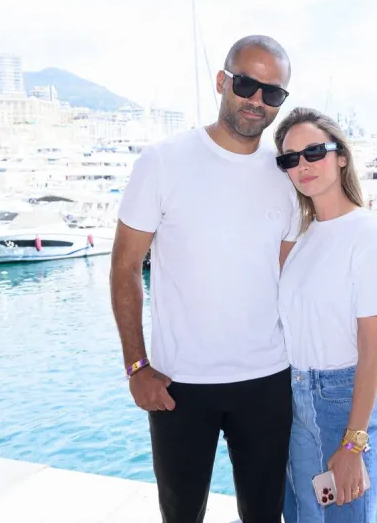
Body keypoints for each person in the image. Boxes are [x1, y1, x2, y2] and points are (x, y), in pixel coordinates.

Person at [110, 35, 299, 523]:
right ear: (222, 81)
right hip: (180, 384)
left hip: (268, 381)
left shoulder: (287, 176)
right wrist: (136, 367)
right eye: (246, 84)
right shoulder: (162, 161)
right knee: (181, 515)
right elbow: (125, 266)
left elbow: (295, 283)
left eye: (272, 93)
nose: (257, 100)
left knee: (265, 515)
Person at [273, 107, 377, 523]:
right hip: (295, 400)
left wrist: (353, 444)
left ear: (342, 157)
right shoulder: (303, 238)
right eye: (290, 158)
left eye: (314, 152)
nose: (303, 165)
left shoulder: (369, 235)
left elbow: (371, 348)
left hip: (340, 403)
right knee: (300, 516)